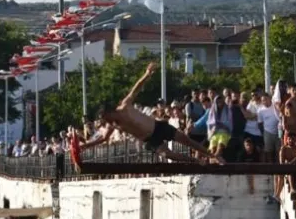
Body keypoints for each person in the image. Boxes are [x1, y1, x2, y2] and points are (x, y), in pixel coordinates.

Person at [81, 62, 223, 165]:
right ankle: (197, 161)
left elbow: (136, 88)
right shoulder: (113, 125)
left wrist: (147, 74)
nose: (106, 121)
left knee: (187, 141)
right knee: (168, 155)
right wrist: (85, 146)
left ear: (110, 112)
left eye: (105, 117)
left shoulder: (124, 107)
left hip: (158, 127)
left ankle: (212, 156)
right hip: (149, 139)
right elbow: (103, 139)